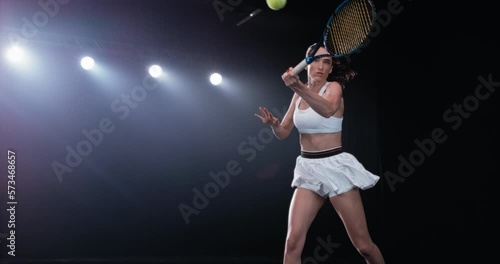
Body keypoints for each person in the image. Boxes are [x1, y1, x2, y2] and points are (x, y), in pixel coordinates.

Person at [254, 43, 385, 264]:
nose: (321, 66)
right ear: (306, 64)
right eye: (315, 60)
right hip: (308, 169)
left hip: (335, 168)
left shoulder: (334, 88)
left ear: (331, 67)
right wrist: (273, 125)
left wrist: (297, 87)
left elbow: (326, 110)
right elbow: (284, 133)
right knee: (292, 244)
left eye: (327, 62)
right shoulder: (298, 96)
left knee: (364, 247)